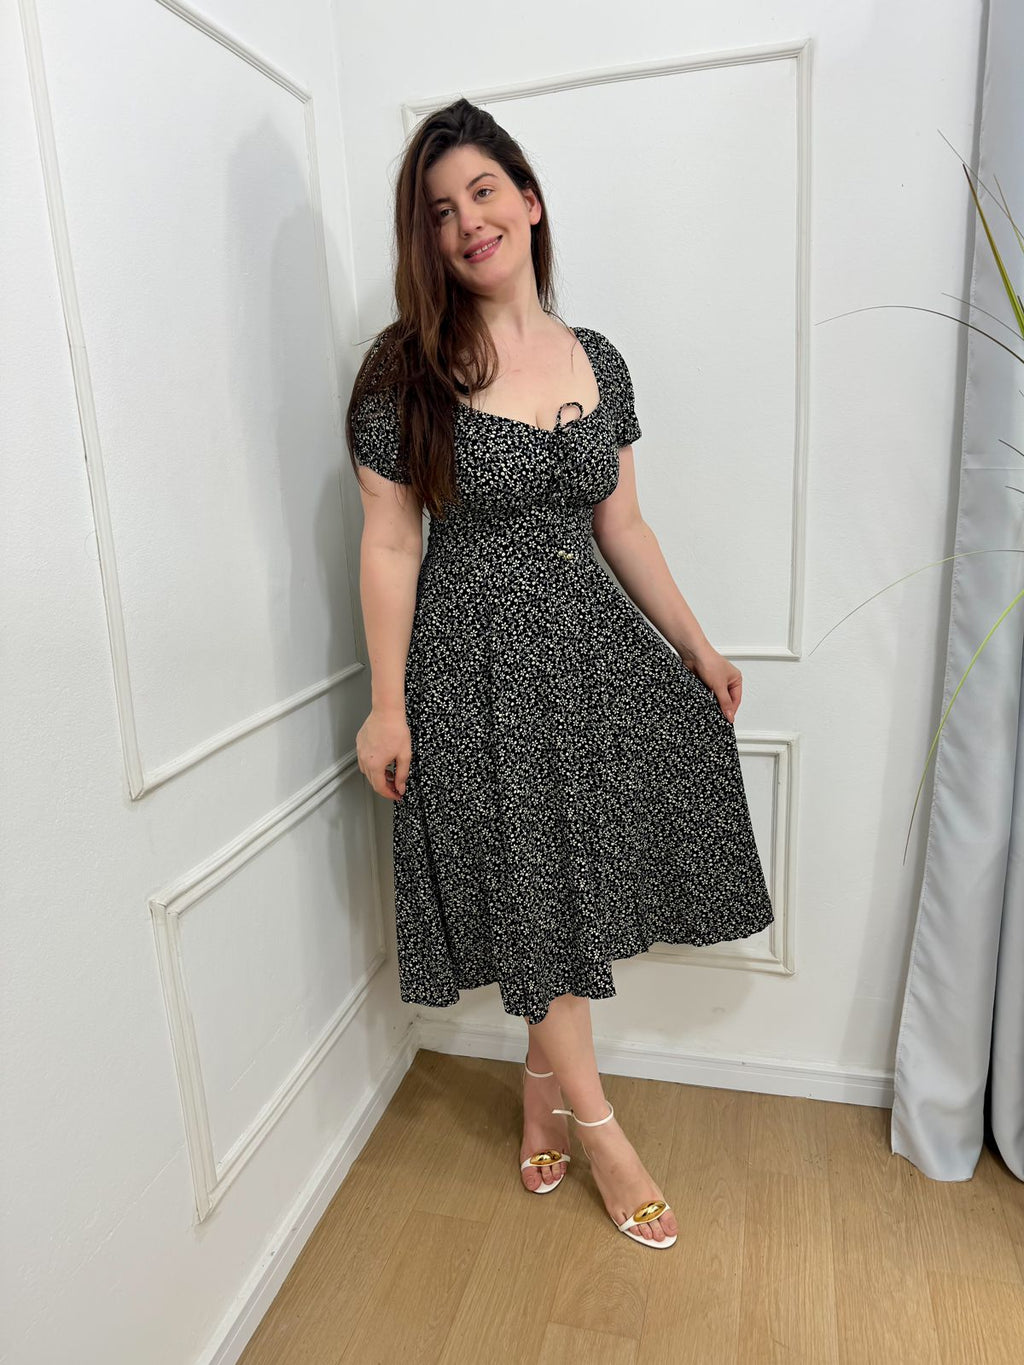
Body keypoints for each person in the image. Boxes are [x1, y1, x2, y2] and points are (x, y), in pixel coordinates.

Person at [346, 98, 774, 1249]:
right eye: (439, 211)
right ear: (427, 239)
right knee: (533, 891)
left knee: (571, 890)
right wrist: (385, 705)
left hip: (589, 658)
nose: (466, 223)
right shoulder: (404, 370)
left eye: (483, 192)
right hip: (472, 671)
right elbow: (389, 544)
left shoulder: (599, 358)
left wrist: (695, 645)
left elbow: (620, 524)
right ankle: (602, 1131)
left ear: (528, 201)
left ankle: (539, 1089)